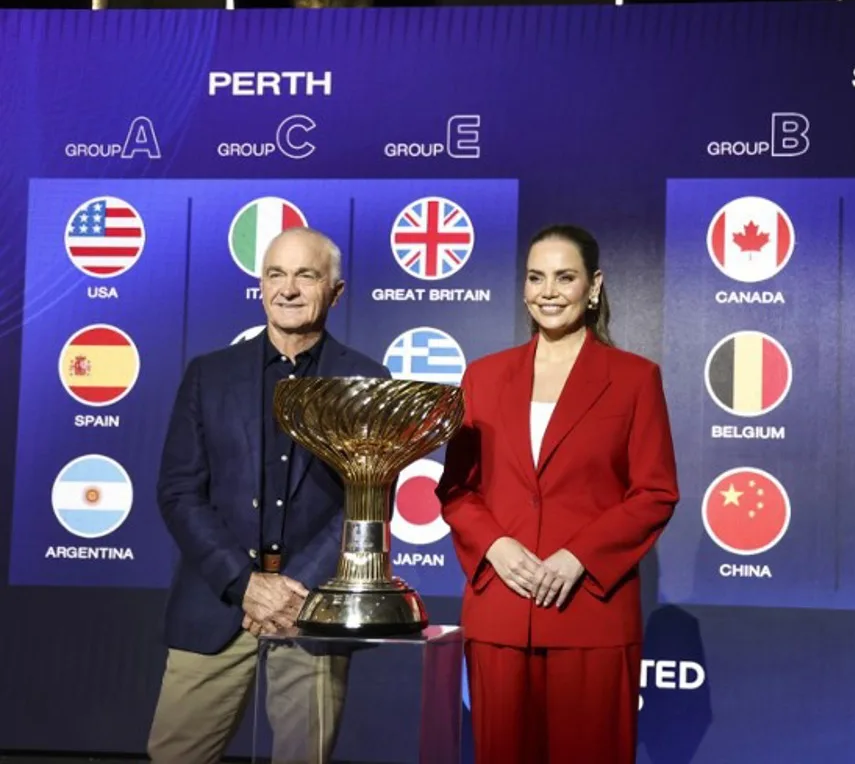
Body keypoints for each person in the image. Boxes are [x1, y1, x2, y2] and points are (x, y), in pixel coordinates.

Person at [435, 224, 680, 763]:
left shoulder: (635, 378)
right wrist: (495, 546)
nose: (548, 291)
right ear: (523, 289)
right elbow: (456, 489)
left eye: (564, 278)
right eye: (536, 277)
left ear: (593, 287)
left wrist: (579, 558)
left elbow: (655, 492)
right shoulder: (483, 376)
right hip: (501, 606)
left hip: (589, 610)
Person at [147, 227, 390, 764]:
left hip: (312, 612)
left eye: (307, 275)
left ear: (337, 290)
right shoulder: (208, 375)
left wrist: (293, 588)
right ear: (260, 285)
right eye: (275, 274)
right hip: (216, 605)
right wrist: (245, 583)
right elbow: (180, 491)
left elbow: (367, 500)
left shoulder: (366, 382)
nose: (288, 288)